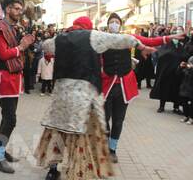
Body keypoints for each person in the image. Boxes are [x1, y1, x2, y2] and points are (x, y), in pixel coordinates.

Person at [34, 16, 156, 180]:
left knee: (57, 132)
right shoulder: (93, 36)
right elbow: (121, 39)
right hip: (84, 96)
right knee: (84, 135)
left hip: (62, 96)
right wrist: (141, 46)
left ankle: (53, 169)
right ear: (88, 27)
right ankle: (79, 172)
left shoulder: (60, 39)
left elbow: (45, 45)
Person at [101, 13, 184, 163]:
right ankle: (105, 146)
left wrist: (169, 37)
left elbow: (150, 41)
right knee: (104, 119)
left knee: (118, 120)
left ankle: (112, 150)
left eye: (116, 22)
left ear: (120, 25)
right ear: (108, 25)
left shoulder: (129, 38)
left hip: (124, 88)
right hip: (106, 86)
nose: (114, 24)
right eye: (111, 22)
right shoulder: (102, 39)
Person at [0, 0, 35, 174]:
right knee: (10, 119)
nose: (19, 12)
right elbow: (4, 54)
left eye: (21, 9)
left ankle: (2, 151)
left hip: (12, 77)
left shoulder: (12, 27)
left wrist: (25, 42)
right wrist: (22, 47)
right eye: (16, 8)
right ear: (8, 9)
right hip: (4, 77)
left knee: (8, 118)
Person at [150, 27, 187, 113]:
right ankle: (161, 106)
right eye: (177, 32)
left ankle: (176, 107)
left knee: (176, 90)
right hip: (167, 73)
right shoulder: (167, 44)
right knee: (164, 89)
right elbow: (162, 55)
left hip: (177, 73)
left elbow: (184, 56)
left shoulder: (181, 46)